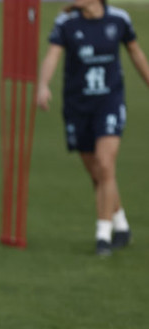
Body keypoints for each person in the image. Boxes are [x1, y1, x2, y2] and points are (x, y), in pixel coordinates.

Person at [37, 0, 149, 256]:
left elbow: (136, 53)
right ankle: (121, 225)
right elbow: (52, 55)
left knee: (105, 163)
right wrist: (43, 85)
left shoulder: (119, 19)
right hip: (78, 106)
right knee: (97, 172)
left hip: (109, 102)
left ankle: (103, 236)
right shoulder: (66, 23)